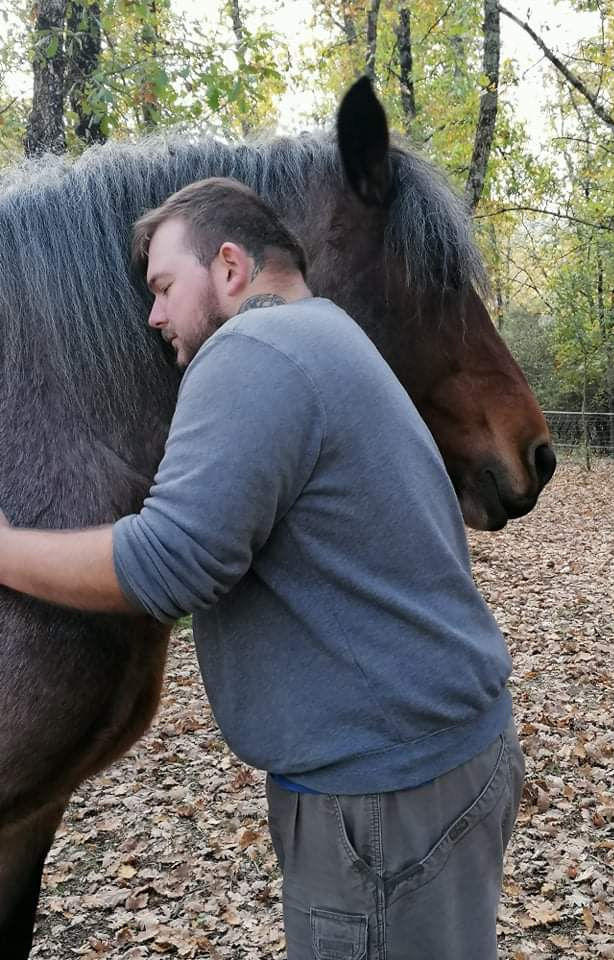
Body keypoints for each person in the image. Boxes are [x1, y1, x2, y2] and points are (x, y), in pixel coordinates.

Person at [0, 177, 524, 959]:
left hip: (381, 800)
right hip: (440, 765)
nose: (154, 317)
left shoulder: (250, 351)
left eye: (166, 287)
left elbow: (168, 563)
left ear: (232, 268)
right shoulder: (330, 337)